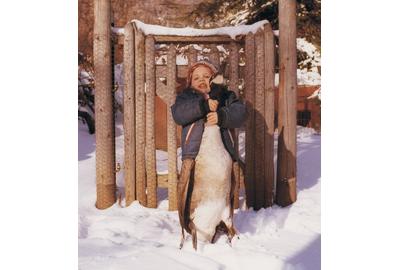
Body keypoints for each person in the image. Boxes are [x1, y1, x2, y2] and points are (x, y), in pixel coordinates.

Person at [171, 60, 246, 249]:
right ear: (190, 82)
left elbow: (240, 113)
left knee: (223, 188)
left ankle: (223, 220)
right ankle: (195, 229)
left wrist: (222, 116)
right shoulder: (186, 98)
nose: (201, 80)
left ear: (214, 79)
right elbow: (179, 114)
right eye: (196, 77)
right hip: (196, 158)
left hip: (222, 158)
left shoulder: (226, 97)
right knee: (195, 192)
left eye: (206, 76)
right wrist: (203, 106)